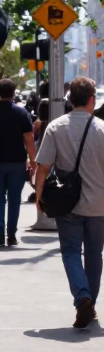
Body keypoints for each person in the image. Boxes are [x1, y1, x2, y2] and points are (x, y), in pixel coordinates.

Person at [34, 77, 104, 330]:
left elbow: (43, 167)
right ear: (92, 100)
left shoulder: (55, 128)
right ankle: (90, 303)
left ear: (70, 99)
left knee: (71, 252)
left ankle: (83, 298)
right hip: (97, 204)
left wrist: (39, 196)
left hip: (67, 204)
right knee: (94, 255)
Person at [0, 78, 37, 247]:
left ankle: (0, 233)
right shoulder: (21, 113)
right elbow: (29, 140)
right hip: (17, 163)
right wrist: (33, 162)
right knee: (15, 199)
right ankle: (11, 235)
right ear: (13, 93)